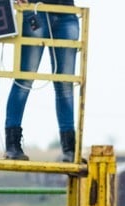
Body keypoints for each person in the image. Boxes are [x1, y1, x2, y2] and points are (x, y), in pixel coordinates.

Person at [4, 0, 80, 162]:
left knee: (65, 84)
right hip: (36, 10)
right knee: (25, 80)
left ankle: (70, 149)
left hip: (66, 12)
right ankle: (12, 145)